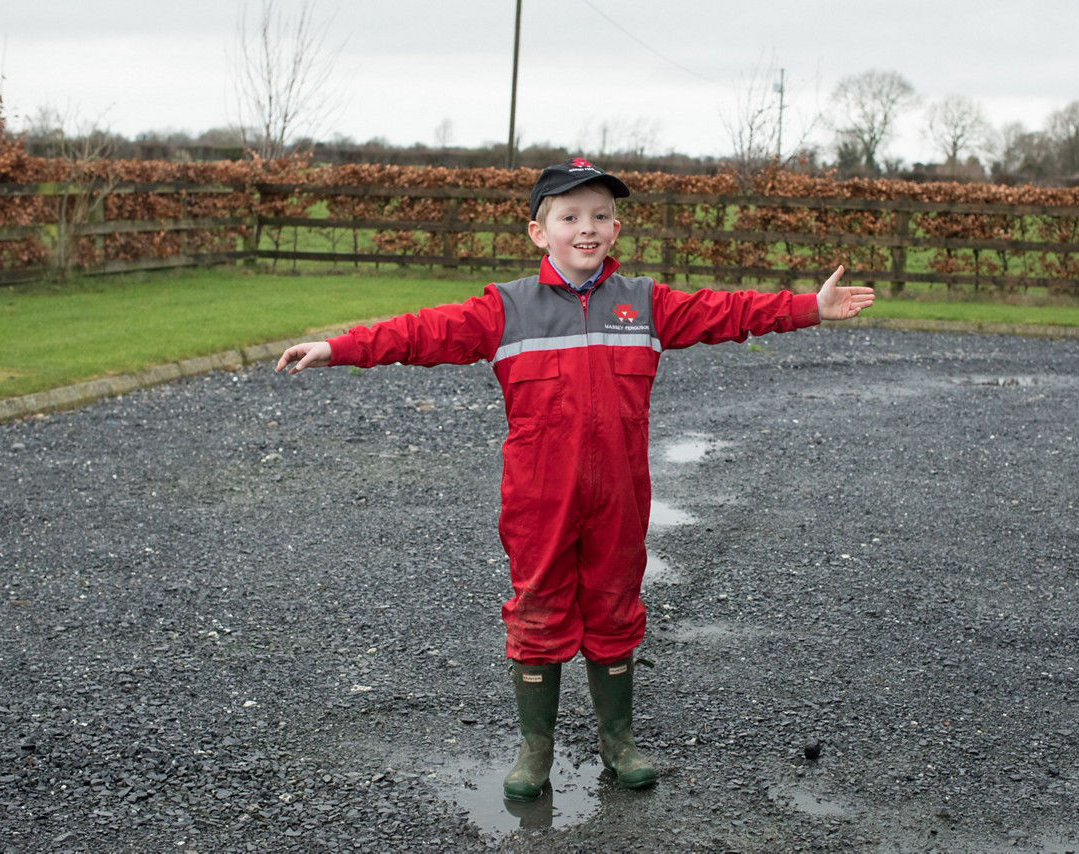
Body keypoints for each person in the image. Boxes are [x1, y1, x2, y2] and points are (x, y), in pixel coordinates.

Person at [276, 159, 875, 801]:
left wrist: (809, 308)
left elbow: (728, 312)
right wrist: (339, 348)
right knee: (537, 611)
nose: (586, 228)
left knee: (614, 609)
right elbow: (422, 333)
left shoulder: (645, 304)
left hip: (618, 498)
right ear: (540, 232)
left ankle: (618, 741)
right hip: (539, 502)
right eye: (570, 217)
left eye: (600, 216)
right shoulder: (507, 309)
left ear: (615, 230)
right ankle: (536, 750)